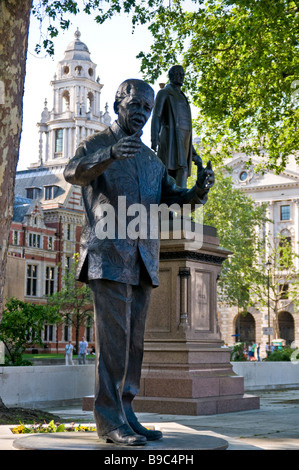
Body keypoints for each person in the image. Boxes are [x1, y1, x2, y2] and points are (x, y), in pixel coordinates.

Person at [64, 78, 214, 446]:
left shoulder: (151, 160)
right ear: (119, 105)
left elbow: (171, 198)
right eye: (136, 107)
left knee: (134, 346)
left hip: (144, 259)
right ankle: (109, 420)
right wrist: (111, 154)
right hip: (109, 257)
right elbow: (72, 172)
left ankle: (126, 412)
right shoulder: (97, 143)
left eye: (147, 109)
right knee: (113, 344)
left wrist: (198, 190)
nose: (143, 115)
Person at [151, 65, 203, 188]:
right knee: (167, 175)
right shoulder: (164, 93)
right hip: (169, 141)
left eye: (182, 74)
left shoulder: (183, 97)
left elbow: (186, 130)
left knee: (182, 173)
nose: (181, 77)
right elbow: (156, 116)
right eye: (177, 74)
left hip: (183, 146)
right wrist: (154, 139)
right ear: (171, 76)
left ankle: (179, 206)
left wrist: (194, 154)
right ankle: (168, 205)